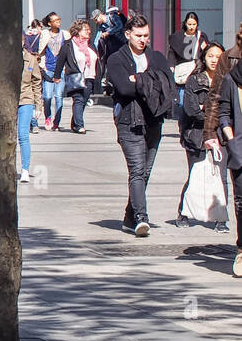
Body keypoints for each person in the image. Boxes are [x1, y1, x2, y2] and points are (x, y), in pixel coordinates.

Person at [107, 13, 176, 236]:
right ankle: (141, 217)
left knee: (145, 172)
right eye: (138, 35)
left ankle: (129, 215)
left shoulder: (156, 57)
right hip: (129, 122)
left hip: (153, 121)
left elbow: (168, 84)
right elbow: (124, 89)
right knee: (136, 170)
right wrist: (150, 81)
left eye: (146, 35)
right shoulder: (117, 59)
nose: (143, 39)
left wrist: (139, 79)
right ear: (128, 34)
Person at [178, 42, 228, 230]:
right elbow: (191, 110)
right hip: (197, 135)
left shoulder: (228, 80)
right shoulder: (195, 80)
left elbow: (228, 110)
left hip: (221, 136)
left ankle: (221, 219)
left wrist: (206, 108)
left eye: (218, 56)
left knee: (220, 177)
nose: (214, 60)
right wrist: (212, 112)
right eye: (211, 56)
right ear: (204, 58)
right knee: (195, 175)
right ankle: (183, 212)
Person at [207, 49, 242, 275]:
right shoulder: (232, 79)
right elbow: (224, 112)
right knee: (241, 202)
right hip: (240, 149)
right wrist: (231, 139)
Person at [51, 19, 97, 133]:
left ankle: (75, 123)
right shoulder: (68, 45)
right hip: (75, 76)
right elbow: (60, 61)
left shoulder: (90, 44)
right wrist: (57, 76)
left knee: (83, 101)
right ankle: (80, 126)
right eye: (85, 29)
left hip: (89, 77)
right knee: (78, 100)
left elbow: (97, 59)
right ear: (77, 31)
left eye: (89, 29)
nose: (88, 31)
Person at [19, 40, 44, 184]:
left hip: (25, 99)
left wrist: (38, 106)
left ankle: (25, 170)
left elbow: (36, 82)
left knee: (23, 135)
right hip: (8, 101)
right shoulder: (6, 58)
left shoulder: (31, 59)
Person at [39, 12, 67, 131]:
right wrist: (42, 67)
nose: (58, 22)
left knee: (59, 96)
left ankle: (57, 122)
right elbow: (41, 50)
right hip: (48, 69)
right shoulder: (45, 34)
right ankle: (48, 117)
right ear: (50, 23)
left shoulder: (65, 34)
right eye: (55, 20)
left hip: (61, 70)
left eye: (59, 19)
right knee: (47, 96)